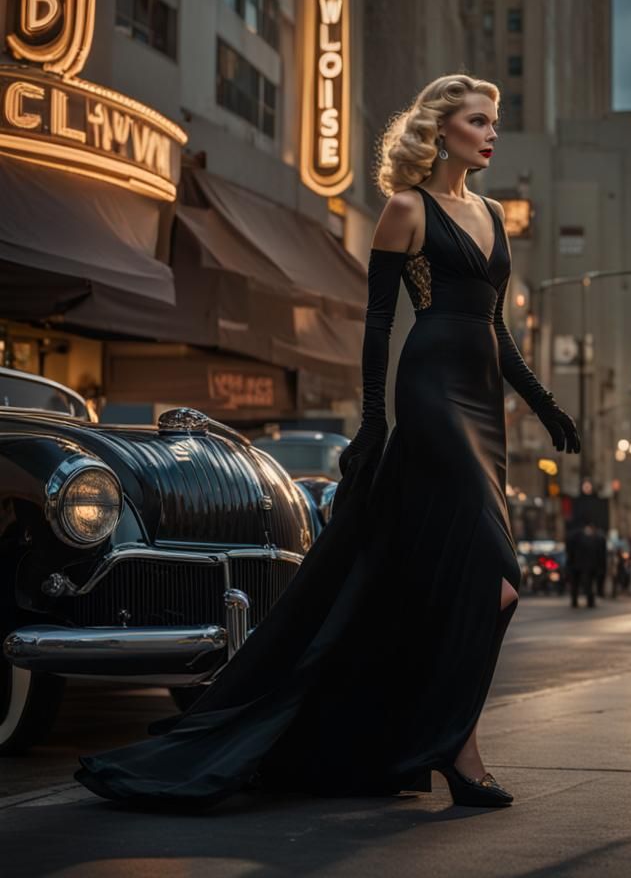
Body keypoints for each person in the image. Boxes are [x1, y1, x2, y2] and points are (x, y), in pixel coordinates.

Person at [73, 74, 581, 812]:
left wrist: (544, 403)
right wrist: (374, 422)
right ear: (442, 131)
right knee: (499, 579)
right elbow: (378, 324)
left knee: (473, 589)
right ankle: (460, 750)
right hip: (433, 394)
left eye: (495, 120)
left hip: (484, 406)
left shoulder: (495, 215)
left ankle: (439, 737)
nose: (492, 132)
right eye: (479, 120)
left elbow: (495, 325)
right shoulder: (407, 210)